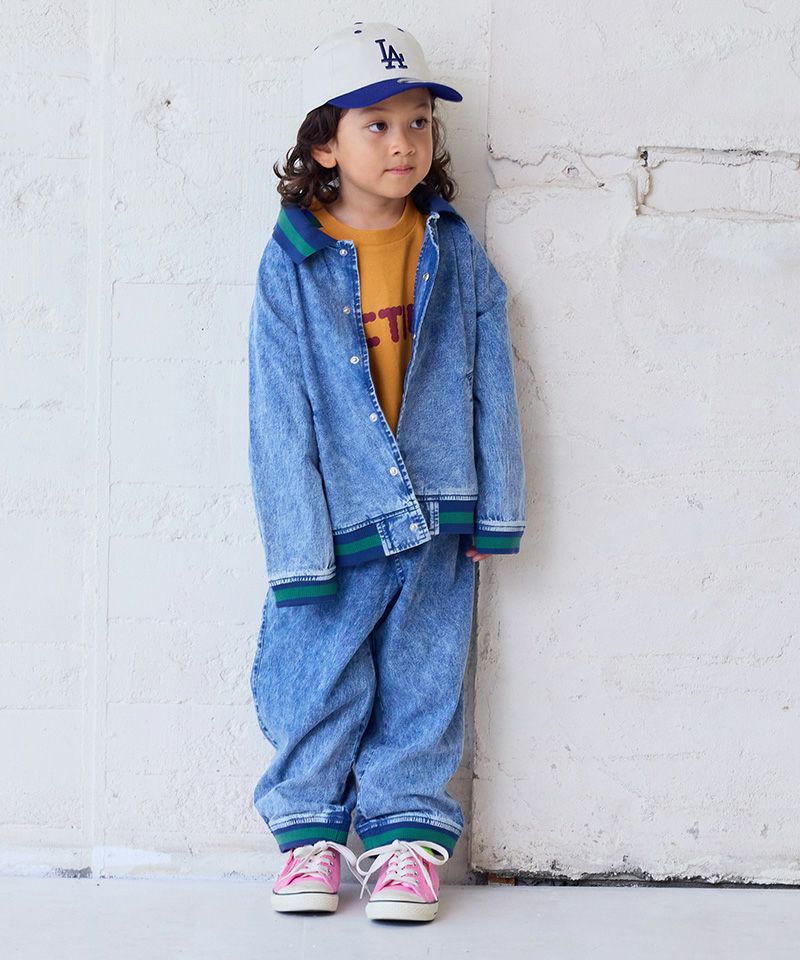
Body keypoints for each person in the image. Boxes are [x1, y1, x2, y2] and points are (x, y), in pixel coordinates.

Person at [247, 21, 527, 923]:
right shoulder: (293, 261)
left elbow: (491, 379)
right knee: (316, 676)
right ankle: (310, 838)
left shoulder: (452, 247)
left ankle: (406, 843)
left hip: (439, 509)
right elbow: (276, 413)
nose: (403, 142)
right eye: (377, 124)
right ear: (324, 144)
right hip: (338, 515)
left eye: (418, 122)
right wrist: (297, 546)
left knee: (423, 678)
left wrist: (497, 511)